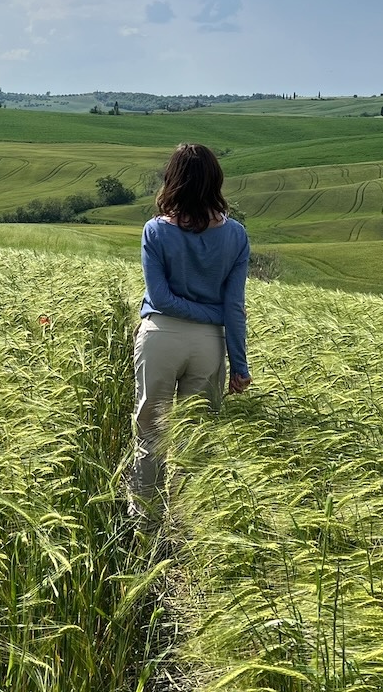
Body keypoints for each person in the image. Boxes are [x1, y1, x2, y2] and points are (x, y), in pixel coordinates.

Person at [128, 142, 250, 524]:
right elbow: (233, 308)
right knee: (194, 441)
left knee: (150, 439)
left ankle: (143, 527)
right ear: (215, 181)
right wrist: (239, 366)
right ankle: (190, 533)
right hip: (209, 344)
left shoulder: (155, 231)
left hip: (160, 337)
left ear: (173, 180)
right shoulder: (236, 236)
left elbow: (160, 297)